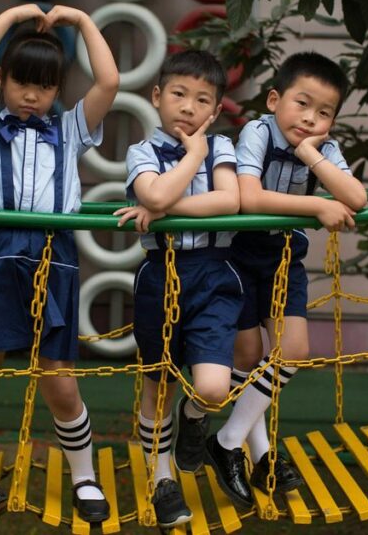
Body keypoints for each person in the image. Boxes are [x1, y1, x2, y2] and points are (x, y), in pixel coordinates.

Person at [0, 3, 118, 522]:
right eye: (20, 82)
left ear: (56, 90)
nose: (30, 95)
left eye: (43, 86)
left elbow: (109, 82)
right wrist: (13, 16)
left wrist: (84, 23)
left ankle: (84, 477)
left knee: (59, 378)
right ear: (2, 78)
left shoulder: (69, 130)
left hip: (53, 254)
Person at [213, 51, 367, 496]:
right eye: (302, 103)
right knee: (245, 358)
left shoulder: (324, 148)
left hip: (284, 257)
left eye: (324, 113)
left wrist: (310, 154)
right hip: (238, 255)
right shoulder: (256, 132)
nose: (310, 118)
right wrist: (318, 204)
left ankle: (227, 442)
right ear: (274, 99)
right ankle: (262, 458)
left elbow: (356, 198)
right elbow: (249, 198)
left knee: (292, 352)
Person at [114, 50, 244, 526]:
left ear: (214, 112)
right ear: (157, 96)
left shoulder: (223, 147)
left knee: (212, 386)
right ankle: (161, 476)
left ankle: (194, 417)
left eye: (201, 99)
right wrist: (192, 158)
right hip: (159, 272)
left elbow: (229, 202)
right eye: (178, 94)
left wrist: (167, 206)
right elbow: (152, 194)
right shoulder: (141, 152)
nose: (188, 107)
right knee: (158, 380)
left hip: (212, 273)